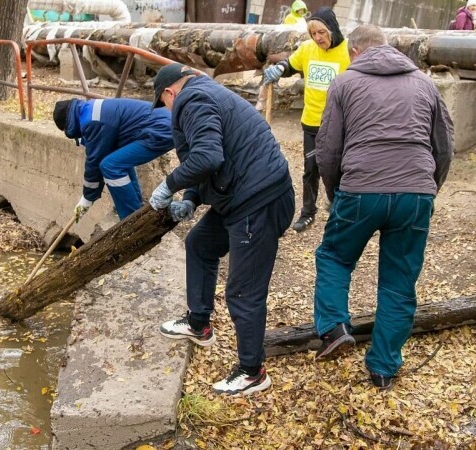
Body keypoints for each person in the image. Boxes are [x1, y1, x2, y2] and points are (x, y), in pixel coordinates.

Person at [311, 24, 454, 390]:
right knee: (399, 282)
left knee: (335, 258)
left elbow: (328, 149)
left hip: (361, 188)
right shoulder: (424, 83)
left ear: (355, 52)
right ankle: (383, 369)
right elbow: (444, 145)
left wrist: (334, 193)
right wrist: (427, 189)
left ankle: (334, 327)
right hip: (416, 193)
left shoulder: (345, 83)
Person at [149, 63, 294, 396]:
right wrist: (191, 198)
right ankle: (199, 324)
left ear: (170, 92)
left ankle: (252, 371)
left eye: (163, 104)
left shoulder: (191, 101)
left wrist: (168, 185)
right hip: (245, 195)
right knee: (200, 243)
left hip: (259, 201)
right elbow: (216, 154)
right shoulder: (208, 93)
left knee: (243, 291)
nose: (167, 111)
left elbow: (207, 156)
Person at [264, 7, 349, 232]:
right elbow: (290, 65)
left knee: (336, 167)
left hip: (339, 123)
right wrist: (278, 69)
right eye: (313, 34)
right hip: (311, 120)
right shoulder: (307, 49)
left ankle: (338, 207)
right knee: (311, 168)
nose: (318, 38)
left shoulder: (348, 51)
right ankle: (308, 212)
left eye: (321, 32)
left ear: (332, 29)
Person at [52, 98, 174, 220]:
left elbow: (94, 162)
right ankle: (135, 208)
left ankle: (129, 218)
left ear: (69, 125)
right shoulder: (89, 110)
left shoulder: (91, 122)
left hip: (160, 130)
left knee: (110, 166)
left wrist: (87, 199)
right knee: (118, 161)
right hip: (164, 124)